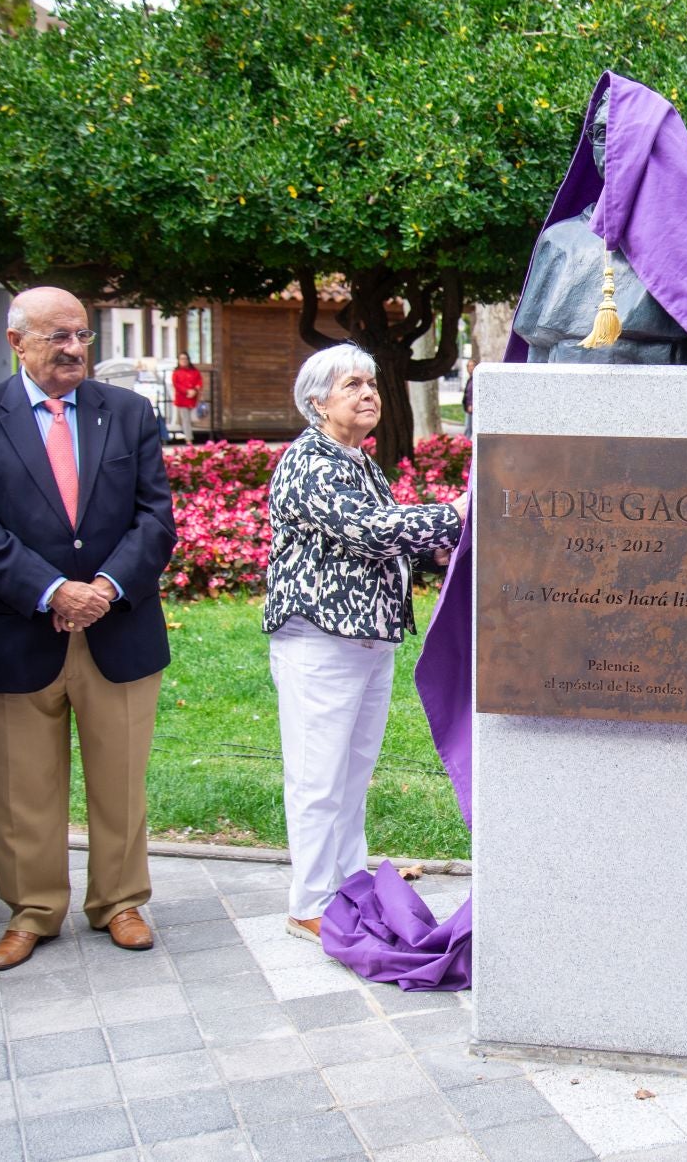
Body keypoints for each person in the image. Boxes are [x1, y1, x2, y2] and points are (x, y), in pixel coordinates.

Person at [0, 287, 177, 972]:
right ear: (18, 342)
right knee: (22, 787)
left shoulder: (128, 413)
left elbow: (155, 518)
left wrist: (103, 588)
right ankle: (33, 909)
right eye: (57, 337)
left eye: (81, 334)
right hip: (17, 629)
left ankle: (120, 900)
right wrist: (51, 591)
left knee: (120, 778)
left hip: (118, 628)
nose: (74, 348)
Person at [265, 344, 467, 943]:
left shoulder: (357, 462)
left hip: (367, 643)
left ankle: (346, 885)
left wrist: (434, 555)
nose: (369, 393)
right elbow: (371, 532)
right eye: (352, 384)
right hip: (321, 643)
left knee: (352, 775)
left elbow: (381, 548)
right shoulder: (312, 461)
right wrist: (457, 514)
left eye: (372, 383)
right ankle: (308, 902)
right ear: (317, 401)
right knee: (318, 777)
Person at [169, 352, 203, 445]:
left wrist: (195, 390)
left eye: (185, 359)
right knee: (186, 419)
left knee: (193, 418)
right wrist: (187, 391)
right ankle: (189, 439)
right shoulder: (176, 372)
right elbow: (176, 385)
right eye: (181, 359)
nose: (183, 361)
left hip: (193, 398)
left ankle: (188, 434)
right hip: (182, 398)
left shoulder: (194, 371)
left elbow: (199, 381)